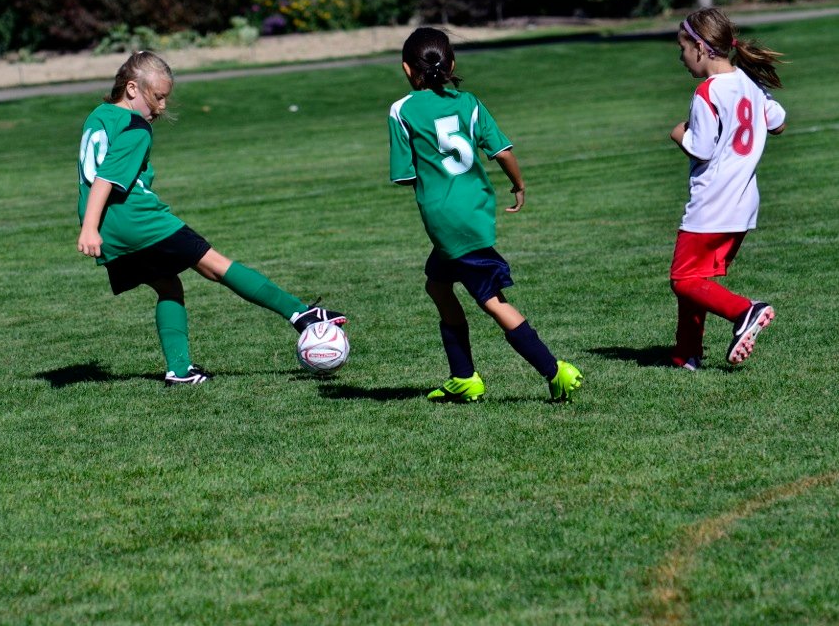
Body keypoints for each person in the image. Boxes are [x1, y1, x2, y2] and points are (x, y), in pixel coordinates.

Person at [76, 51, 346, 385]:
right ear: (131, 88)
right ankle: (300, 313)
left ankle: (179, 371)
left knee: (168, 285)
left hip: (109, 226)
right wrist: (89, 229)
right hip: (137, 219)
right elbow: (106, 178)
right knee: (214, 265)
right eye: (157, 97)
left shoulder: (98, 116)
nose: (161, 106)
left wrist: (92, 225)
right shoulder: (136, 127)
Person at [388, 27, 582, 403]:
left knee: (491, 300)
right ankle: (463, 377)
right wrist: (519, 184)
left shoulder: (402, 110)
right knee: (437, 286)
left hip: (445, 222)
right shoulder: (470, 103)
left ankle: (554, 370)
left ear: (407, 69)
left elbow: (404, 175)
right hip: (475, 213)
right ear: (451, 65)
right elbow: (502, 151)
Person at [667, 8, 786, 370]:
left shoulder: (707, 91)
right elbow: (778, 122)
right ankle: (686, 354)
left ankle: (745, 311)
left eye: (683, 49)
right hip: (743, 205)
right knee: (697, 278)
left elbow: (701, 148)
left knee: (683, 279)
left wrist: (679, 133)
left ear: (701, 48)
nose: (681, 57)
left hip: (712, 203)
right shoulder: (748, 82)